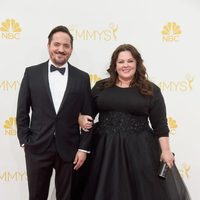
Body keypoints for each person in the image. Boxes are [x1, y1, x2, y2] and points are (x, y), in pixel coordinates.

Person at [77, 44, 191, 200]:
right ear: (114, 65)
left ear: (137, 63)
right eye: (121, 61)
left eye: (130, 61)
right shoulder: (101, 87)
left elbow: (160, 126)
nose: (125, 65)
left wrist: (165, 150)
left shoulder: (151, 90)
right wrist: (80, 118)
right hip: (103, 150)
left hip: (140, 151)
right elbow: (86, 115)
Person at [16, 25, 92, 200]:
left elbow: (88, 116)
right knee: (36, 195)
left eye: (66, 46)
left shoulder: (82, 78)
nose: (61, 49)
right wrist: (25, 141)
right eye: (56, 44)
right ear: (49, 45)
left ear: (71, 49)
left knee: (67, 196)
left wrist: (83, 148)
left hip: (70, 149)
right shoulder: (31, 73)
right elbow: (22, 111)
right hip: (37, 146)